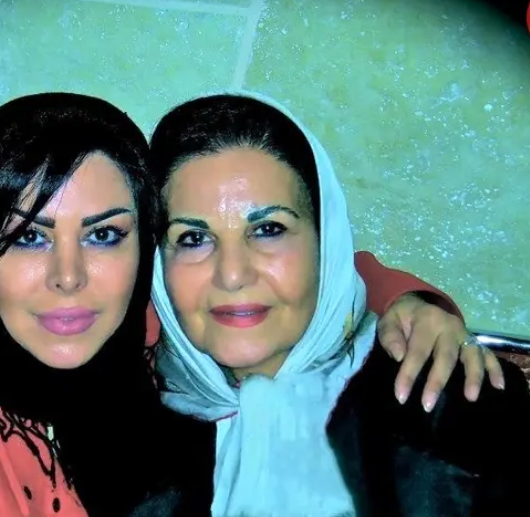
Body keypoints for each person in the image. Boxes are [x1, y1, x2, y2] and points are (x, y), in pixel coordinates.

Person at [0, 92, 495, 517]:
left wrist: (404, 297)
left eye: (104, 235)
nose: (69, 278)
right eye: (28, 236)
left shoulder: (449, 417)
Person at [149, 92, 530, 517]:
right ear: (158, 265)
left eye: (269, 229)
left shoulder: (461, 419)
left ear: (325, 243)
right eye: (193, 238)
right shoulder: (117, 441)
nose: (233, 274)